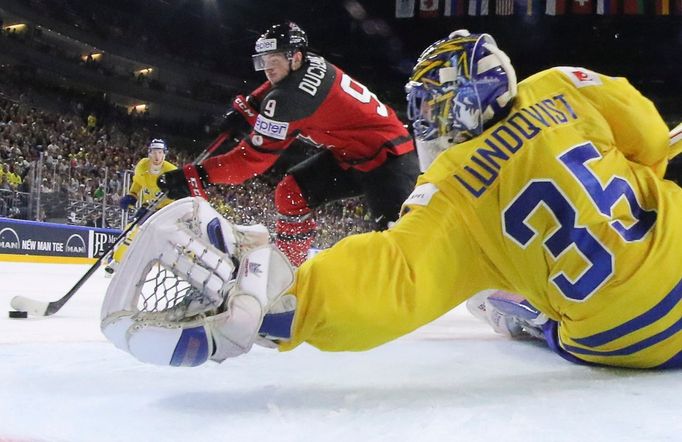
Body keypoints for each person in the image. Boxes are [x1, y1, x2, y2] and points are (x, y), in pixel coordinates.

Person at [103, 30, 682, 370]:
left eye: (432, 104)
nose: (425, 118)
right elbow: (653, 141)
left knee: (498, 303)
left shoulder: (450, 191)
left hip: (623, 339)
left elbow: (393, 280)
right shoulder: (561, 85)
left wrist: (286, 306)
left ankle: (523, 313)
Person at [158, 21, 419, 266]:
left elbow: (249, 163)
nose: (267, 68)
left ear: (295, 57)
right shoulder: (309, 62)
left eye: (274, 60)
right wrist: (249, 107)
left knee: (395, 245)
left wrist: (199, 174)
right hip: (352, 153)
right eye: (263, 61)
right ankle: (289, 269)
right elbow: (275, 86)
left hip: (389, 161)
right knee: (291, 193)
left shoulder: (289, 100)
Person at [106, 139, 177, 273]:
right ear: (149, 153)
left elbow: (181, 191)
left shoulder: (172, 171)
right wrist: (132, 195)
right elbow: (138, 183)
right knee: (131, 231)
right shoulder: (142, 166)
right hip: (148, 207)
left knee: (173, 236)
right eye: (154, 152)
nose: (157, 156)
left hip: (167, 209)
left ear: (164, 154)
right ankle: (116, 260)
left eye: (160, 152)